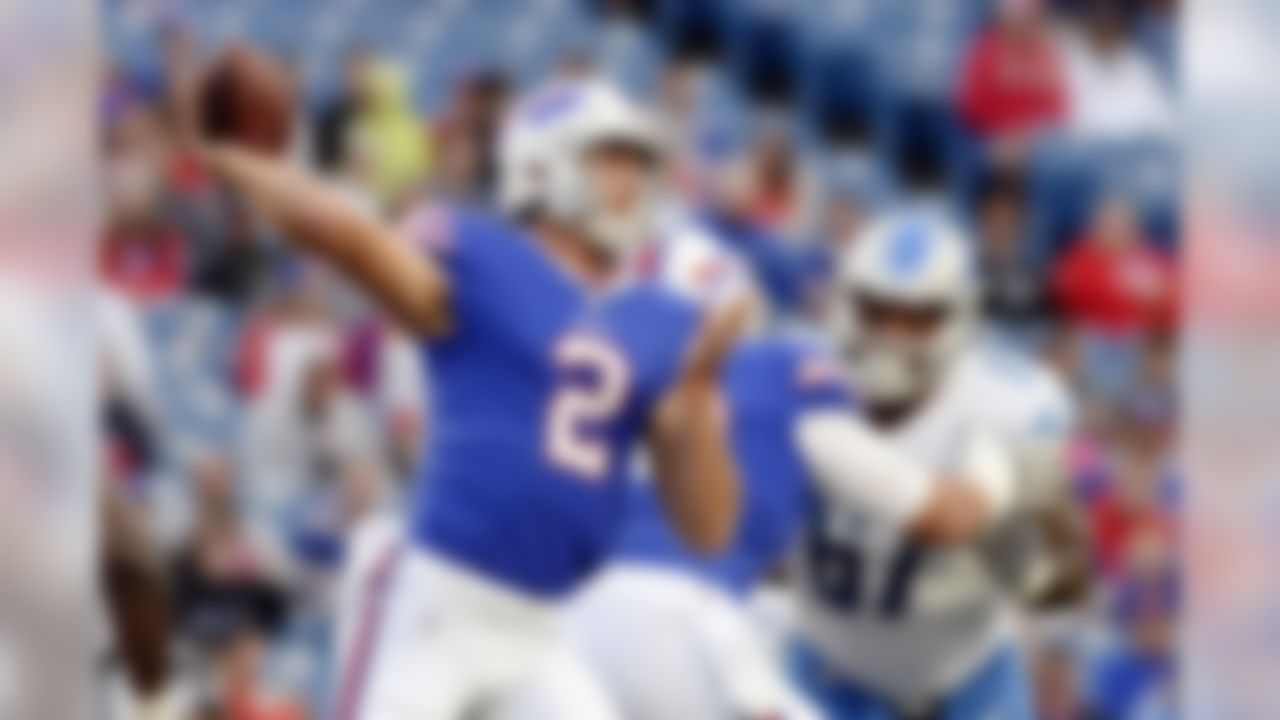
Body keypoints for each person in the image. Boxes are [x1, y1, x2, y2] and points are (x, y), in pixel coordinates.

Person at [191, 74, 742, 720]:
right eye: (612, 159)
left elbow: (707, 529)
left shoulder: (655, 317)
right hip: (437, 598)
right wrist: (242, 159)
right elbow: (348, 236)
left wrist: (700, 396)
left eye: (640, 165)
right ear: (544, 165)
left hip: (540, 627)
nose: (633, 181)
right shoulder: (485, 260)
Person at [548, 219, 1027, 720]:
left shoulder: (582, 390)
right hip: (680, 621)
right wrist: (994, 467)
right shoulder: (778, 370)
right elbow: (937, 516)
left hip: (565, 620)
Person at [790, 212, 1089, 719]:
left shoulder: (1007, 404)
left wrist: (1024, 543)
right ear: (845, 305)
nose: (891, 336)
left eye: (917, 318)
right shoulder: (795, 381)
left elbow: (1064, 585)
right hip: (827, 678)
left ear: (958, 319)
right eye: (876, 312)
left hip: (969, 683)